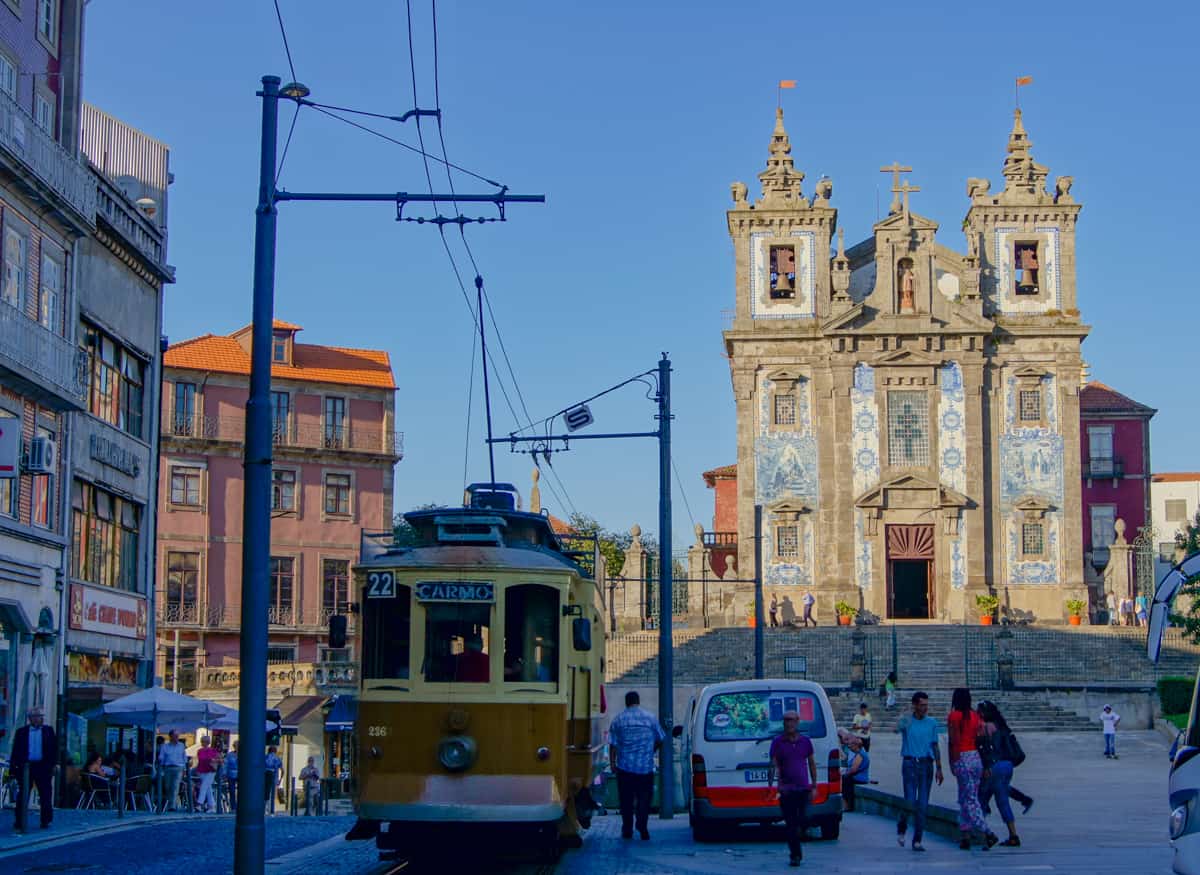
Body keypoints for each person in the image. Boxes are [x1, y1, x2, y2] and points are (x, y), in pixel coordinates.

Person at [607, 690, 665, 841]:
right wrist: (651, 750)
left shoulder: (618, 719)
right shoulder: (650, 718)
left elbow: (612, 745)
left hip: (625, 768)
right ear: (638, 701)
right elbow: (661, 738)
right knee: (644, 799)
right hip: (645, 767)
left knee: (626, 800)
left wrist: (612, 763)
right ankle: (642, 826)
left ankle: (627, 829)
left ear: (626, 702)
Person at [896, 691, 944, 853]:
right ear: (915, 705)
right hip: (910, 763)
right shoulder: (908, 721)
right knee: (909, 801)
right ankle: (902, 826)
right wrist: (904, 717)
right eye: (922, 705)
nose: (925, 708)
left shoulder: (932, 723)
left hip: (926, 764)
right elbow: (896, 729)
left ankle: (917, 840)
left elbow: (935, 745)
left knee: (923, 804)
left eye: (926, 705)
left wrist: (939, 768)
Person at [768, 710, 818, 867]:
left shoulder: (805, 742)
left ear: (797, 722)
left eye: (791, 720)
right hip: (787, 790)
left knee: (803, 819)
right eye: (786, 720)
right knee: (790, 824)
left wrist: (814, 785)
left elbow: (811, 763)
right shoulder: (777, 742)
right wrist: (773, 785)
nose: (789, 723)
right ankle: (795, 855)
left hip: (803, 788)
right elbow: (773, 764)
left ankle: (800, 834)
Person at [947, 687, 994, 850]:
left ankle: (987, 832)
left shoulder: (954, 716)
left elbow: (953, 741)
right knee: (964, 797)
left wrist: (952, 762)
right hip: (975, 757)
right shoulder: (974, 715)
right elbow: (981, 737)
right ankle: (965, 835)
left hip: (962, 757)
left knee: (969, 799)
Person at [977, 700, 1022, 847]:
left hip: (994, 766)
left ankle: (984, 834)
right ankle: (1013, 835)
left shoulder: (986, 727)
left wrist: (985, 767)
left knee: (981, 799)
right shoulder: (1002, 726)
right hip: (1008, 765)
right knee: (1002, 800)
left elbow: (985, 750)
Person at [10, 707, 57, 830]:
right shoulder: (21, 732)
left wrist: (53, 765)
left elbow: (54, 749)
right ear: (30, 718)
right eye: (35, 716)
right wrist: (13, 769)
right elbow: (15, 751)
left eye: (40, 716)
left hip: (43, 766)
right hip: (26, 767)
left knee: (45, 794)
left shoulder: (48, 731)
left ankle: (46, 820)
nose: (38, 719)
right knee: (23, 794)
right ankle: (19, 821)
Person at [157, 729, 187, 812]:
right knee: (168, 786)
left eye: (178, 736)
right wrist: (160, 761)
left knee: (175, 786)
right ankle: (168, 803)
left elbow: (184, 757)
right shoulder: (164, 746)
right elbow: (161, 756)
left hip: (178, 768)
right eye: (175, 736)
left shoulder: (181, 746)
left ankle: (172, 806)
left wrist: (184, 768)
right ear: (170, 736)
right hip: (167, 768)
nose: (177, 737)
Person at [841, 736, 870, 813]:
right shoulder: (858, 753)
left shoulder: (860, 755)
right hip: (858, 777)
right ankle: (845, 804)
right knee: (844, 778)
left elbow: (854, 769)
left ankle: (847, 805)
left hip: (859, 778)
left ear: (855, 745)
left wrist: (845, 774)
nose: (848, 746)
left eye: (850, 744)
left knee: (844, 780)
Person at [194, 736, 221, 813]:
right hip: (202, 771)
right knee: (208, 788)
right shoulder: (199, 751)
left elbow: (220, 759)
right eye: (202, 741)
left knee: (204, 786)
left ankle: (199, 804)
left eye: (205, 741)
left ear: (208, 742)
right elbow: (200, 761)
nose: (203, 743)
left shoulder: (213, 751)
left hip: (211, 771)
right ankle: (212, 806)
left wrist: (214, 760)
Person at [264, 746, 283, 814]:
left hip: (265, 775)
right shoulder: (277, 758)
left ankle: (265, 808)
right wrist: (280, 780)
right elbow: (282, 770)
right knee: (272, 793)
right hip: (274, 776)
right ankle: (271, 809)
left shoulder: (265, 757)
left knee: (265, 792)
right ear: (275, 751)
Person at [224, 740, 239, 811]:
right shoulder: (230, 755)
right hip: (231, 775)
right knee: (232, 791)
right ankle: (233, 807)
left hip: (241, 775)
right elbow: (226, 765)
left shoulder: (245, 754)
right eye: (236, 746)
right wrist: (224, 774)